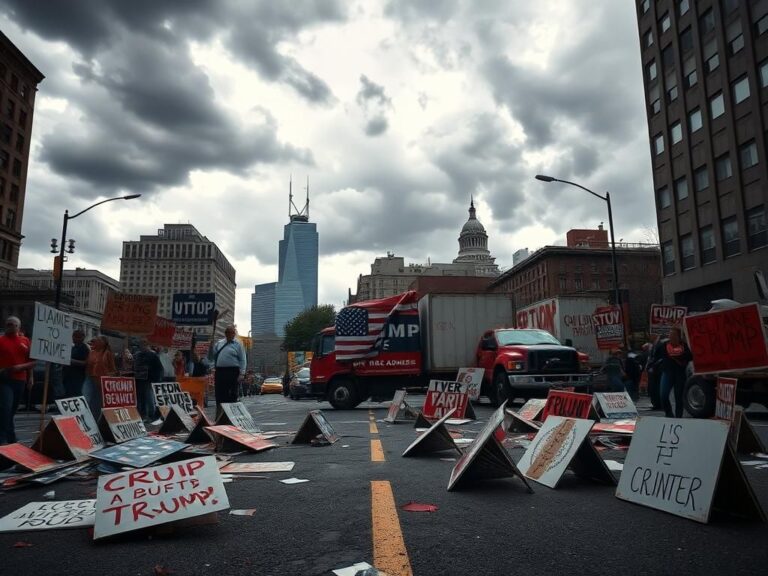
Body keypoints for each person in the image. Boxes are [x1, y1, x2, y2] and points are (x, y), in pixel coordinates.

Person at [0, 316, 34, 444]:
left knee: (12, 410)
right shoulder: (1, 340)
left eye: (12, 324)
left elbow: (32, 362)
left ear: (18, 327)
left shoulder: (25, 341)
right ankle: (3, 438)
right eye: (8, 324)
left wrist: (30, 377)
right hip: (4, 380)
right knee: (5, 409)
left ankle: (10, 438)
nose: (9, 326)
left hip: (20, 380)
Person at [208, 325, 246, 414]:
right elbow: (213, 357)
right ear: (226, 334)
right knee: (220, 393)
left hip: (233, 371)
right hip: (220, 371)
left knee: (232, 393)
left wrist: (242, 373)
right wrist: (212, 367)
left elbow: (242, 359)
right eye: (229, 333)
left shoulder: (238, 344)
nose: (231, 334)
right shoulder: (219, 343)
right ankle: (220, 414)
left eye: (233, 333)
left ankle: (231, 414)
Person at [659, 325, 692, 418]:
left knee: (678, 397)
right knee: (663, 395)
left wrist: (679, 356)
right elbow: (658, 356)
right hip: (667, 373)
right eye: (670, 334)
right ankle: (669, 413)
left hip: (680, 374)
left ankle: (678, 417)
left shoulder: (684, 346)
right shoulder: (664, 345)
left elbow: (690, 356)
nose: (671, 336)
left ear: (678, 336)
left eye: (673, 335)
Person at [83, 336, 116, 421]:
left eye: (98, 340)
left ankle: (95, 420)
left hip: (101, 380)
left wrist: (109, 380)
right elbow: (86, 363)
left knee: (97, 402)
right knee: (86, 398)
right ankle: (86, 418)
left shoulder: (107, 353)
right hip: (89, 378)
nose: (96, 342)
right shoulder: (91, 352)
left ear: (103, 343)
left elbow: (112, 368)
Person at [133, 339, 164, 421]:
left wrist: (156, 379)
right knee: (141, 398)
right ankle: (143, 415)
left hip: (148, 380)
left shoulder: (152, 355)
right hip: (140, 380)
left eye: (144, 344)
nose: (142, 346)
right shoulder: (137, 355)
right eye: (141, 345)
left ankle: (151, 415)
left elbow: (159, 369)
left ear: (148, 345)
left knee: (148, 398)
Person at [62, 329, 89, 398]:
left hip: (77, 378)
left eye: (75, 337)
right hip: (68, 376)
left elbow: (86, 363)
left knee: (75, 395)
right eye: (73, 336)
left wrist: (72, 361)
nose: (73, 338)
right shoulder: (73, 348)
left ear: (81, 338)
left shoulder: (84, 348)